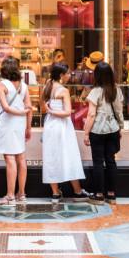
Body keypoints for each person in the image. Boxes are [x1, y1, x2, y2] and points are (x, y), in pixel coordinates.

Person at [41, 63, 86, 201]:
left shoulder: (47, 86)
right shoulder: (63, 90)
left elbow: (43, 107)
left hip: (49, 125)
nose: (69, 75)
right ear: (61, 75)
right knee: (69, 156)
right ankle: (77, 191)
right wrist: (52, 111)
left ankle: (55, 193)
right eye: (68, 73)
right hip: (62, 126)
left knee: (51, 157)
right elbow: (67, 112)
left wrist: (49, 111)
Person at [82, 61, 123, 205]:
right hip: (113, 129)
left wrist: (86, 133)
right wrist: (120, 127)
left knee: (98, 162)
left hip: (98, 131)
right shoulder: (116, 90)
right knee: (111, 160)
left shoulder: (95, 92)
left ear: (97, 75)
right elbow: (119, 111)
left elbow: (91, 114)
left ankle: (99, 194)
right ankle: (111, 194)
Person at [0, 57, 32, 205]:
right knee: (21, 158)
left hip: (7, 124)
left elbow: (6, 108)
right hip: (20, 124)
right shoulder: (23, 86)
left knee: (10, 158)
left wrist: (21, 113)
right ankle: (21, 193)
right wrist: (28, 127)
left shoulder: (1, 84)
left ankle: (10, 196)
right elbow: (29, 108)